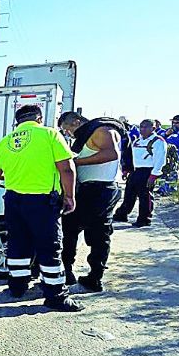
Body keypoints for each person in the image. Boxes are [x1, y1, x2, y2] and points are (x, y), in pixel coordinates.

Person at [0, 104, 82, 312]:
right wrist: (70, 196)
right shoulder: (50, 134)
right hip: (42, 202)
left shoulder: (6, 141)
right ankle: (56, 296)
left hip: (13, 200)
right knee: (49, 247)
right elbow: (66, 169)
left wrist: (14, 176)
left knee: (18, 245)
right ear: (39, 119)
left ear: (18, 121)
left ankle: (17, 286)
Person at [57, 112, 124, 292]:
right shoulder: (92, 133)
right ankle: (92, 277)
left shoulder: (102, 130)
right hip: (99, 190)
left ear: (77, 122)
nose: (69, 134)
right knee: (97, 235)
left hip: (96, 190)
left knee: (72, 230)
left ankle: (73, 273)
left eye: (68, 129)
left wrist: (77, 162)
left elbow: (112, 154)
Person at [113, 119, 167, 227]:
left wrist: (153, 176)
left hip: (148, 171)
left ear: (153, 128)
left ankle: (144, 219)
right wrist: (127, 170)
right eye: (141, 127)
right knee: (129, 194)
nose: (142, 129)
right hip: (136, 171)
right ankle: (122, 215)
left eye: (146, 127)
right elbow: (131, 157)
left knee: (145, 196)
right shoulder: (137, 141)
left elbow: (160, 159)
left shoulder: (158, 141)